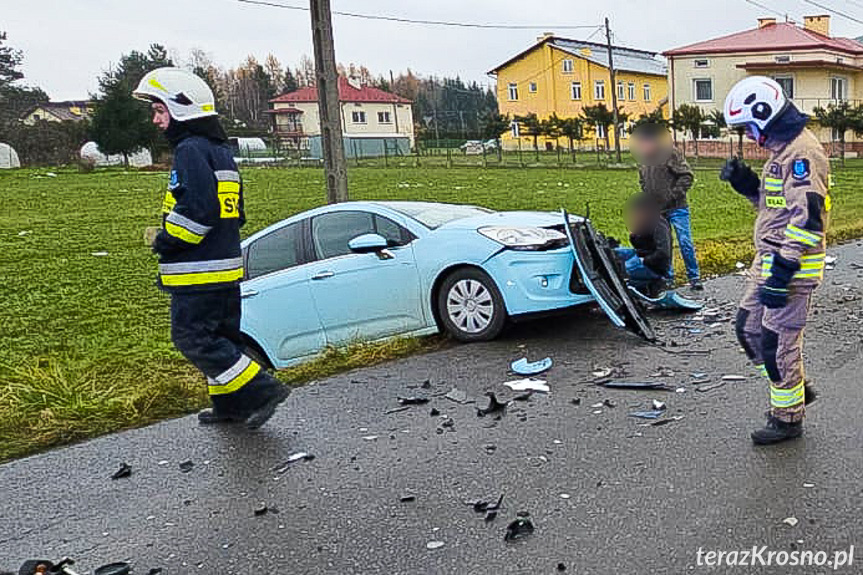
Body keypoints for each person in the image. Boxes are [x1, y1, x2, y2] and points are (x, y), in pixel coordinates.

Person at [133, 67, 290, 429]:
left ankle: (261, 390)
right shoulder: (220, 152)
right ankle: (229, 406)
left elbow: (199, 212)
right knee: (221, 339)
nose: (156, 121)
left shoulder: (189, 151)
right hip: (225, 268)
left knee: (192, 338)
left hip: (197, 271)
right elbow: (236, 213)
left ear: (181, 110)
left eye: (160, 111)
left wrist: (165, 240)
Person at [720, 76, 830, 445]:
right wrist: (748, 186)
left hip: (790, 269)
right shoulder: (782, 153)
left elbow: (808, 220)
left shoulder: (801, 154)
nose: (749, 135)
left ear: (766, 116)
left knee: (775, 343)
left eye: (750, 126)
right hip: (768, 261)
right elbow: (777, 210)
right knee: (748, 329)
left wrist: (783, 272)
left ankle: (788, 418)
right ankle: (795, 387)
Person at [631, 122, 703, 290]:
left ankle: (694, 277)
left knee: (685, 242)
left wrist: (673, 195)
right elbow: (643, 181)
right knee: (664, 246)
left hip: (677, 208)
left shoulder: (670, 154)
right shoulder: (643, 159)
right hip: (657, 211)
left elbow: (687, 176)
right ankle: (668, 278)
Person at [615, 194, 673, 299]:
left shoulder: (659, 225)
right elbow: (640, 246)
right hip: (642, 255)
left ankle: (654, 283)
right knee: (616, 252)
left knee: (622, 271)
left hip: (653, 265)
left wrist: (644, 260)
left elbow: (664, 252)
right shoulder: (644, 223)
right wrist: (633, 236)